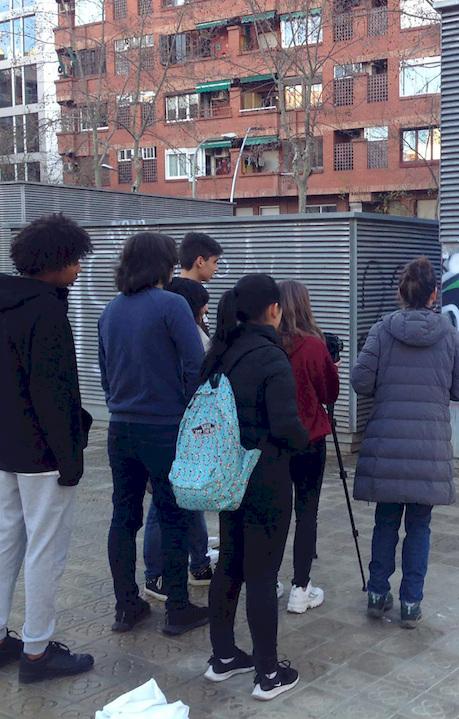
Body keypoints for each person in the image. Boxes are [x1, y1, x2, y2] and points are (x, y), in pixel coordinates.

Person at [0, 213, 95, 683]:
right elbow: (54, 392)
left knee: (5, 537)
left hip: (6, 446)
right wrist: (71, 458)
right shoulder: (46, 311)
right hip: (43, 452)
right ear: (55, 261)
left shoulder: (0, 304)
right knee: (46, 548)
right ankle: (37, 651)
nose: (79, 269)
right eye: (75, 260)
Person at [351, 257, 459, 628]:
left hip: (387, 444)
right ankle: (410, 603)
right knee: (419, 527)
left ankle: (377, 594)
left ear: (401, 292)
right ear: (435, 294)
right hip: (429, 446)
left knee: (385, 522)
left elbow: (360, 380)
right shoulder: (449, 334)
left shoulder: (382, 330)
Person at [203, 274, 309, 700]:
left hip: (229, 477)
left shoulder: (221, 352)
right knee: (263, 576)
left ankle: (224, 656)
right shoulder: (270, 357)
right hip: (266, 479)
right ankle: (268, 674)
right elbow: (286, 427)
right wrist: (304, 439)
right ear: (273, 310)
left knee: (230, 563)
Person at [98, 232, 209, 636]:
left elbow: (105, 373)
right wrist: (191, 415)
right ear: (164, 264)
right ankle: (177, 609)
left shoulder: (110, 310)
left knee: (123, 517)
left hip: (120, 427)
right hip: (165, 428)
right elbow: (196, 367)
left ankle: (126, 606)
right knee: (173, 515)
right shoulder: (172, 305)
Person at [142, 277, 213, 601]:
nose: (206, 310)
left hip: (183, 429)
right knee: (163, 502)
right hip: (175, 428)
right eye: (203, 305)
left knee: (189, 495)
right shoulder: (179, 332)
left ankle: (198, 563)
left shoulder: (173, 328)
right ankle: (155, 575)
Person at [278, 280, 340, 614]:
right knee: (306, 513)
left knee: (274, 512)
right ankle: (300, 587)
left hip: (274, 442)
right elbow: (329, 394)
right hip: (309, 439)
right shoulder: (314, 347)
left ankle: (268, 578)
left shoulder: (267, 344)